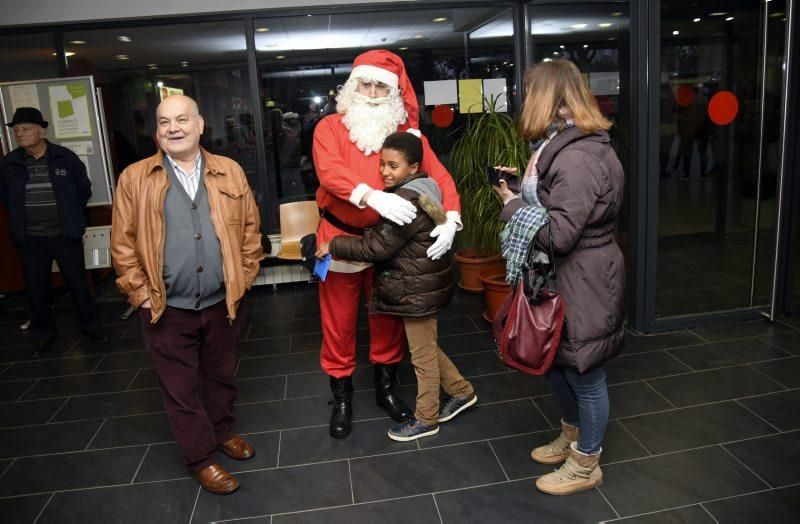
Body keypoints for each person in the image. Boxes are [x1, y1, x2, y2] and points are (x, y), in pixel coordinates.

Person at [111, 95, 264, 495]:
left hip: (222, 304)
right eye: (164, 122)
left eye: (182, 120)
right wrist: (141, 294)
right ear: (156, 130)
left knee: (221, 376)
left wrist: (244, 277)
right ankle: (201, 458)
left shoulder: (229, 171)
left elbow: (250, 232)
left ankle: (223, 431)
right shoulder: (135, 177)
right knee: (179, 388)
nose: (173, 128)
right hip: (164, 308)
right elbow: (122, 245)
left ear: (200, 125)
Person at [312, 49, 462, 439]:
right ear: (352, 85)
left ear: (393, 93)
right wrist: (371, 195)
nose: (373, 92)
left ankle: (386, 390)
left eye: (382, 85)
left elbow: (441, 179)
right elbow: (330, 173)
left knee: (387, 321)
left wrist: (451, 219)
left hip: (392, 246)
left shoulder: (406, 136)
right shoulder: (329, 127)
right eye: (366, 83)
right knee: (338, 323)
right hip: (341, 238)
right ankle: (342, 397)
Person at [493, 59, 625, 496]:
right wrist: (523, 189)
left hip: (582, 277)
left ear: (549, 98)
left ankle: (587, 464)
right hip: (563, 276)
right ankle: (571, 439)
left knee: (585, 374)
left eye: (529, 93)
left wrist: (512, 206)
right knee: (557, 364)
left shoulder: (581, 156)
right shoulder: (563, 143)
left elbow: (560, 233)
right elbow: (555, 204)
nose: (524, 100)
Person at [0, 107, 107, 358]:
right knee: (37, 290)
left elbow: (83, 190)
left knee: (79, 285)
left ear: (42, 131)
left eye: (25, 129)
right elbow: (4, 196)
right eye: (16, 130)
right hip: (30, 239)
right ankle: (43, 335)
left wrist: (70, 216)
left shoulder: (64, 158)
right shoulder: (9, 163)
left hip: (65, 236)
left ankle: (92, 328)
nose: (20, 134)